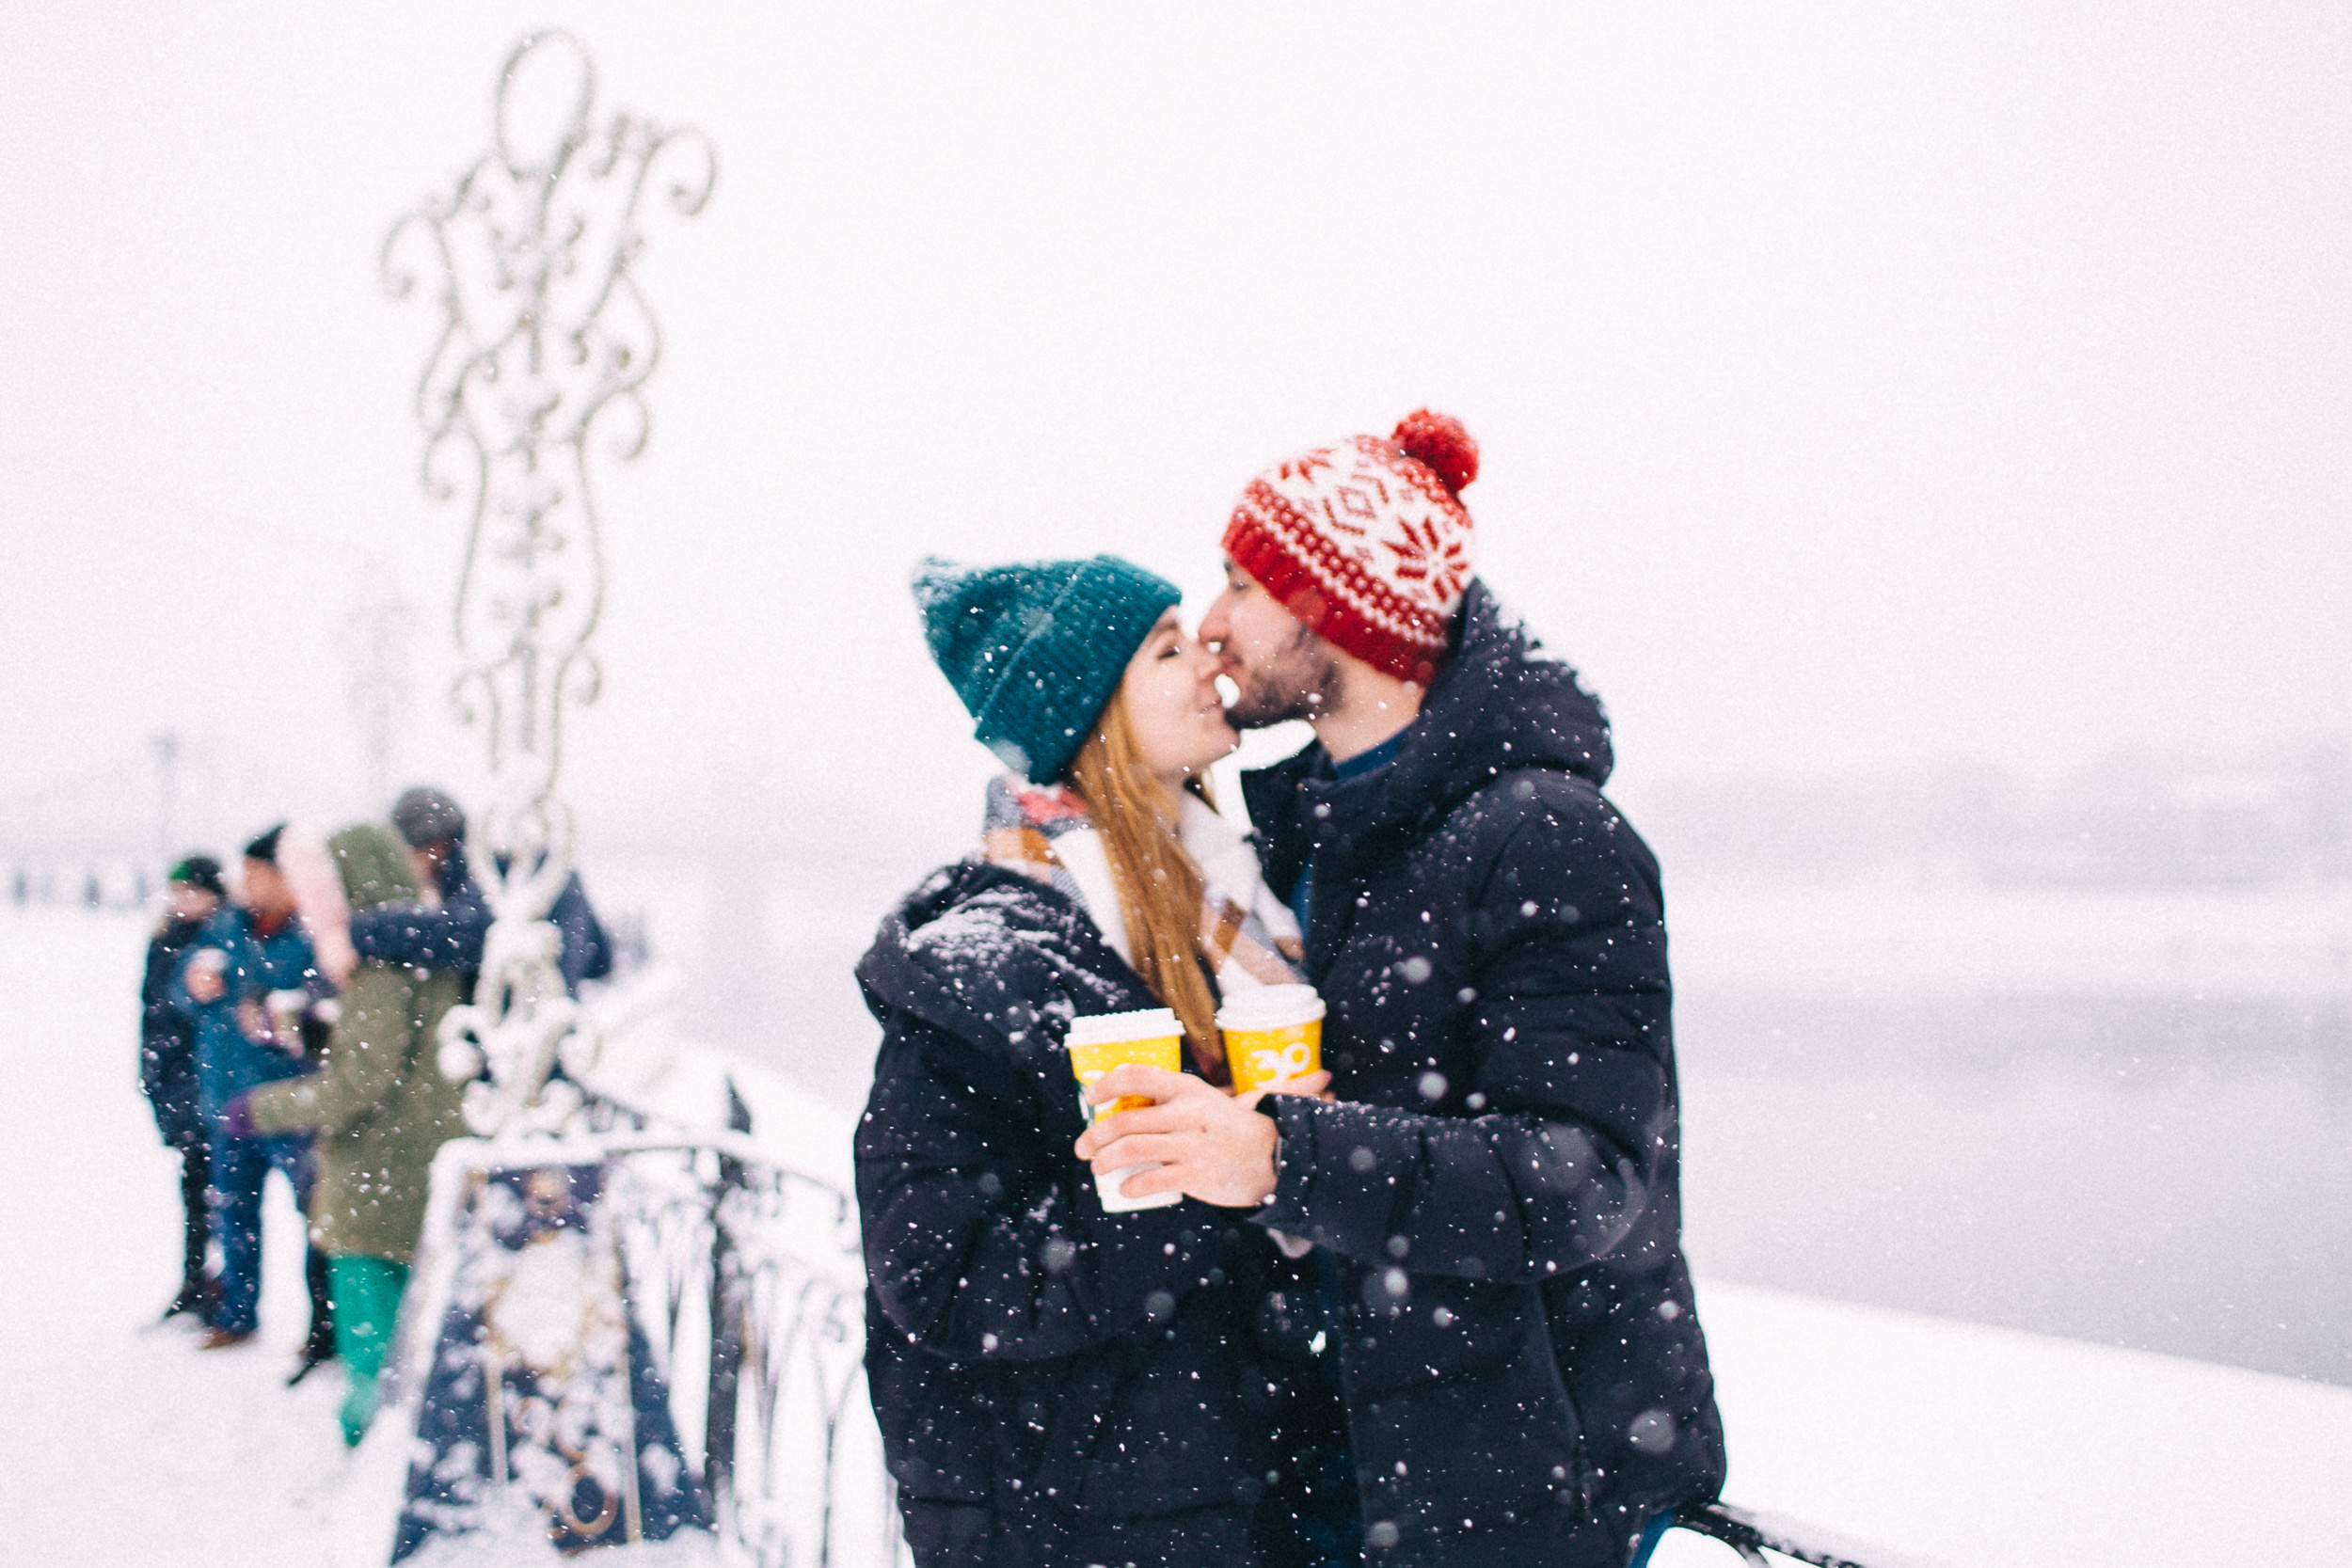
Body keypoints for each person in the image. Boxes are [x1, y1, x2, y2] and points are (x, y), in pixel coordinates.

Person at [1073, 411, 1727, 1567]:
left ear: (1333, 605)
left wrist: (1284, 1157)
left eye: (1239, 585)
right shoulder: (1297, 832)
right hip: (1329, 1470)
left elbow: (1591, 1179)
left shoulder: (1548, 838)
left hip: (1514, 1497)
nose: (1213, 625)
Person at [855, 555, 1327, 1568]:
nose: (1209, 653)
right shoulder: (984, 960)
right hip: (1075, 1520)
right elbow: (938, 1276)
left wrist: (1293, 1161)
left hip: (1234, 1489)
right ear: (1089, 714)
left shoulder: (1237, 906)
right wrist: (1204, 1178)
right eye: (1164, 648)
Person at [230, 823, 469, 1445]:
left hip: (377, 1178)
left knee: (374, 1344)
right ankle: (399, 1448)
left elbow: (361, 1082)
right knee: (408, 1337)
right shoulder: (422, 950)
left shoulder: (378, 964)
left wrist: (262, 1107)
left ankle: (374, 1460)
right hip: (411, 1167)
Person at [178, 826, 336, 1369]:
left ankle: (326, 1327)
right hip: (229, 1103)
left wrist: (285, 1010)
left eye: (255, 874)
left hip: (293, 1105)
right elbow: (186, 987)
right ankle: (238, 1314)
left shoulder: (314, 935)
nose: (245, 884)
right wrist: (191, 983)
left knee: (316, 1219)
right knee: (234, 1215)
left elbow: (330, 1005)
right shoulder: (225, 927)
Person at [341, 785, 612, 999]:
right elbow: (601, 958)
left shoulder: (487, 868)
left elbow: (469, 934)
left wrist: (359, 931)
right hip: (556, 1032)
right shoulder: (529, 865)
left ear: (433, 845)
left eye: (405, 854)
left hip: (521, 1034)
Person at [141, 854, 226, 1321]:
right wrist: (153, 1075)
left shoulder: (217, 942)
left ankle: (218, 1286)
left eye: (192, 891)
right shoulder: (165, 940)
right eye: (178, 892)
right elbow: (152, 1016)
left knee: (222, 1194)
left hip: (207, 1083)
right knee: (194, 1189)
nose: (183, 901)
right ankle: (195, 1278)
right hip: (173, 1080)